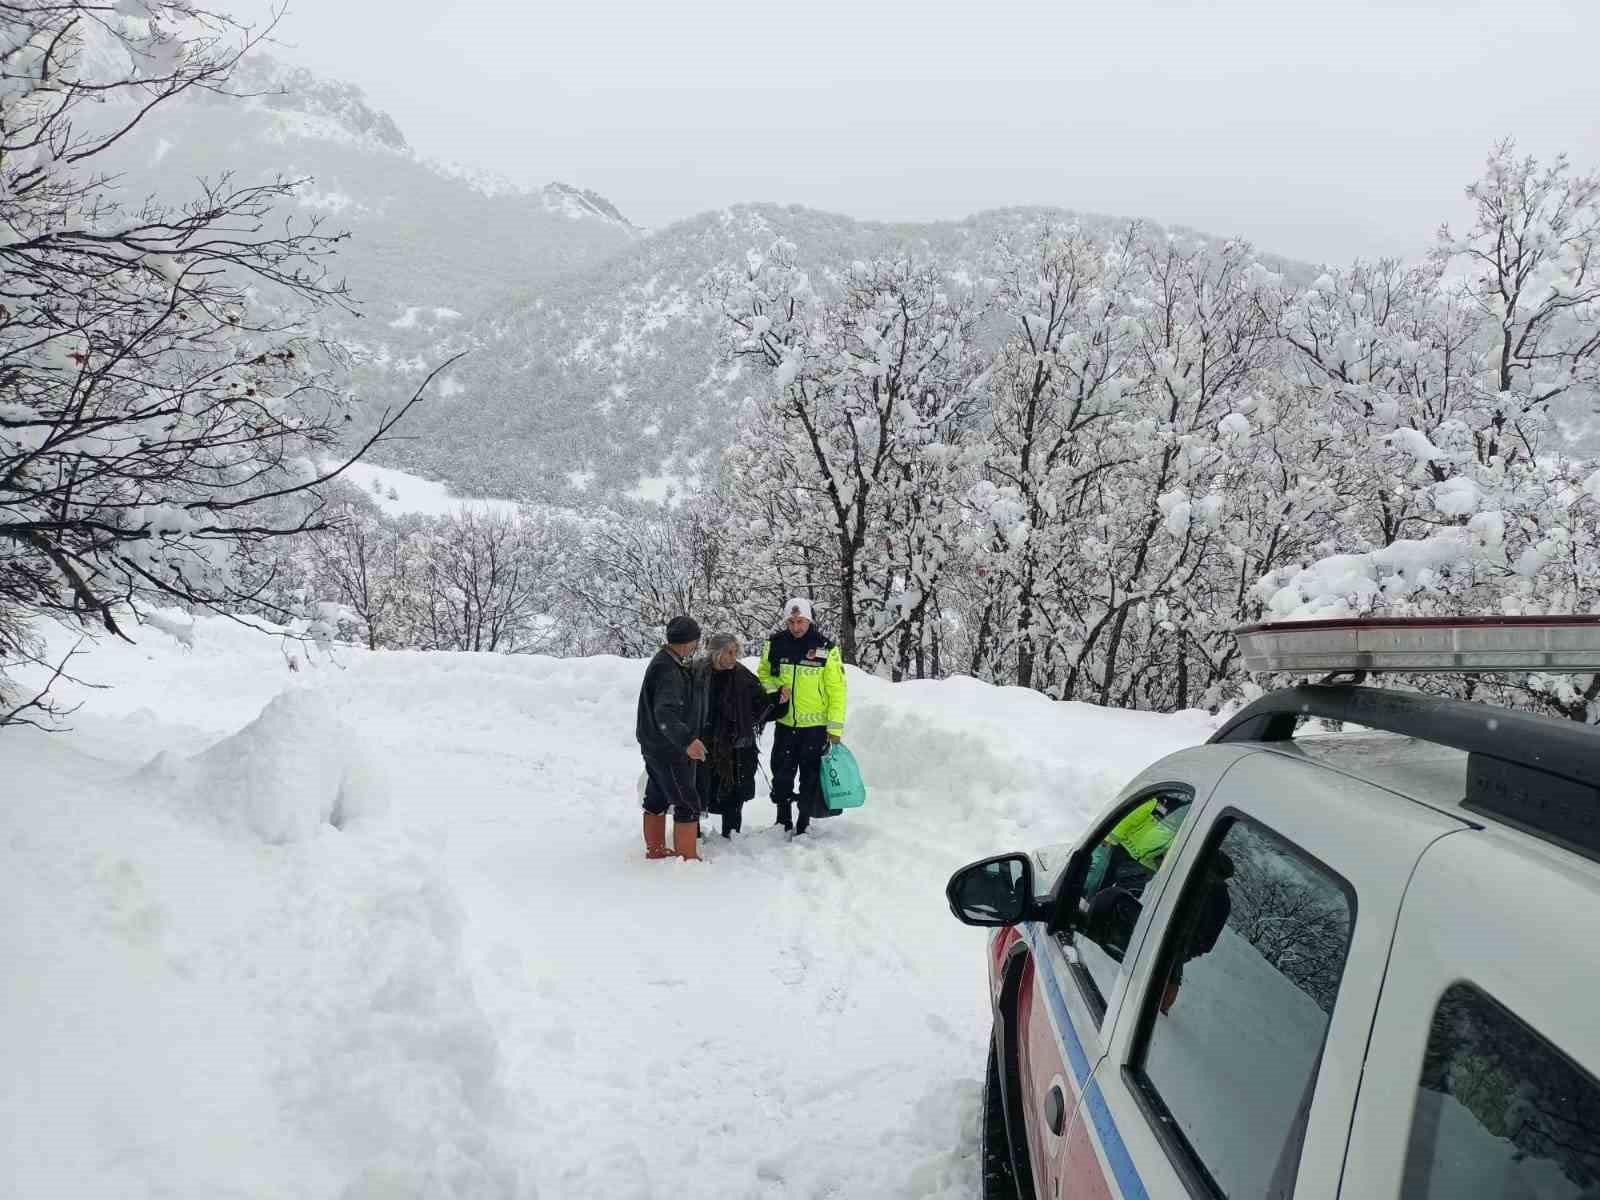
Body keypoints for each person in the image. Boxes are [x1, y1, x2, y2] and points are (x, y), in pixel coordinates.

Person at [756, 598, 846, 836]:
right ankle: (782, 820)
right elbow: (763, 673)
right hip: (786, 724)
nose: (796, 627)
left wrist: (835, 728)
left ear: (809, 620)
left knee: (809, 776)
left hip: (815, 727)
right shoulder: (774, 644)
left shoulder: (826, 647)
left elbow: (837, 689)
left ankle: (803, 823)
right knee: (782, 773)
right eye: (791, 622)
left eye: (801, 621)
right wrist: (775, 689)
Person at [693, 633, 789, 838]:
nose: (733, 657)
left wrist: (779, 702)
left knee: (734, 794)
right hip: (703, 743)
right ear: (716, 653)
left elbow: (762, 707)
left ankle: (732, 835)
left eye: (736, 652)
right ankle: (694, 834)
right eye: (729, 652)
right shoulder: (697, 673)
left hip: (737, 746)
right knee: (698, 789)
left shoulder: (743, 676)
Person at [635, 614, 707, 861]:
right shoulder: (668, 670)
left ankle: (655, 849)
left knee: (657, 796)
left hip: (654, 744)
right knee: (687, 802)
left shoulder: (667, 662)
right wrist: (687, 740)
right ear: (690, 642)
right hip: (668, 748)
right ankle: (687, 858)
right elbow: (664, 712)